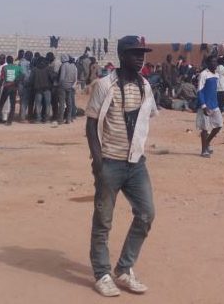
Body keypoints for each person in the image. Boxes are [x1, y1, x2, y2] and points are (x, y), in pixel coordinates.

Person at [85, 36, 157, 297]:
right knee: (103, 221)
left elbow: (146, 119)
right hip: (110, 163)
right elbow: (91, 125)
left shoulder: (145, 86)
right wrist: (98, 162)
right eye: (134, 53)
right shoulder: (105, 85)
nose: (140, 58)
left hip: (136, 164)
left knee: (147, 213)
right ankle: (102, 274)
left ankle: (124, 270)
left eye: (142, 53)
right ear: (121, 55)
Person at [196, 55, 223, 158]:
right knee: (205, 128)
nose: (214, 63)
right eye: (212, 62)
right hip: (205, 105)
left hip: (214, 105)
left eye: (216, 62)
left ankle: (207, 143)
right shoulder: (203, 74)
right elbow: (200, 91)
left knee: (219, 125)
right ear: (207, 63)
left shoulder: (216, 75)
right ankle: (204, 151)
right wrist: (203, 106)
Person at [0, 56, 22, 124]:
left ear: (7, 61)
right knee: (12, 105)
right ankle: (9, 121)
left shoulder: (4, 67)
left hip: (6, 87)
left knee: (1, 104)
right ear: (12, 60)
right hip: (14, 87)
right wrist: (17, 81)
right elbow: (22, 75)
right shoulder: (18, 67)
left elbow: (2, 79)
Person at [59, 55, 79, 124]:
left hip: (63, 86)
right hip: (70, 86)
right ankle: (68, 119)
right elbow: (75, 78)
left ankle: (60, 120)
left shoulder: (64, 65)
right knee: (69, 103)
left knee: (62, 103)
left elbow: (61, 77)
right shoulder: (74, 66)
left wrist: (60, 84)